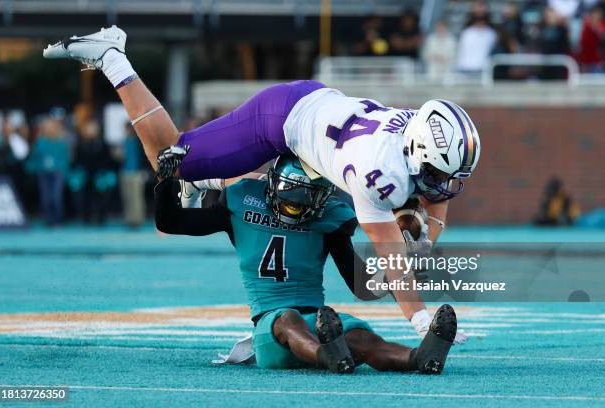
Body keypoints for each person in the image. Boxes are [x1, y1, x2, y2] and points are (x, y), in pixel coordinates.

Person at [43, 26, 481, 338]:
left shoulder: (412, 139)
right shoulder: (377, 172)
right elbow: (391, 256)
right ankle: (112, 57)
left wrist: (427, 238)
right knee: (171, 157)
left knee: (385, 215)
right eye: (444, 171)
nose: (447, 185)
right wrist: (420, 319)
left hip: (319, 119)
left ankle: (209, 175)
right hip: (283, 119)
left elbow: (433, 192)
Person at [154, 155, 458, 373]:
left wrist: (401, 263)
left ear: (322, 198)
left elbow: (362, 286)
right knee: (287, 319)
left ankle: (418, 357)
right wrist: (165, 181)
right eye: (290, 197)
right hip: (270, 326)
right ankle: (327, 355)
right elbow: (171, 221)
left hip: (321, 321)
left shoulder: (329, 219)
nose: (295, 206)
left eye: (305, 200)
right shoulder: (240, 201)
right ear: (272, 185)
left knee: (362, 338)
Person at [29, 117, 70, 226]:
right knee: (45, 196)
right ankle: (48, 219)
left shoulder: (62, 142)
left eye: (51, 127)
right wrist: (36, 167)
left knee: (56, 196)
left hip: (57, 172)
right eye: (47, 127)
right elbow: (35, 157)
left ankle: (58, 219)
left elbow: (65, 159)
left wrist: (63, 172)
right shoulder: (40, 142)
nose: (49, 129)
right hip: (43, 172)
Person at [120, 122, 146, 227]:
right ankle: (129, 218)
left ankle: (138, 219)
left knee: (137, 197)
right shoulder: (124, 142)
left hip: (136, 172)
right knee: (127, 197)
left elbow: (144, 156)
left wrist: (144, 170)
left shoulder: (138, 142)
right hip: (125, 171)